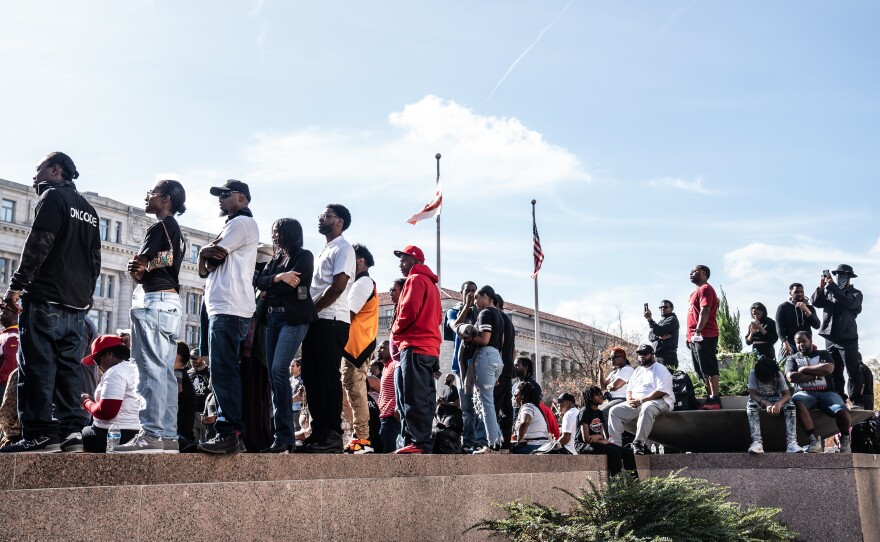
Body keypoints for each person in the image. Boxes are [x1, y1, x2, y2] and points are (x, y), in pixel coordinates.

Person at [1, 152, 101, 454]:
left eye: (39, 169)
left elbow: (38, 242)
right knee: (69, 368)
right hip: (76, 307)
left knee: (37, 367)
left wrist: (15, 287)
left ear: (55, 170)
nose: (35, 176)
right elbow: (95, 259)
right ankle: (71, 432)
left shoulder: (53, 197)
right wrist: (86, 298)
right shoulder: (90, 211)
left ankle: (40, 433)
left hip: (46, 297)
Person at [114, 179, 187, 454]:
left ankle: (151, 435)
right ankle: (168, 435)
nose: (147, 197)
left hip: (155, 301)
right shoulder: (176, 230)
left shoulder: (160, 226)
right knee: (165, 372)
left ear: (166, 198)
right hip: (170, 303)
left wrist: (138, 268)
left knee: (148, 372)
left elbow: (139, 267)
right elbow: (162, 264)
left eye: (152, 194)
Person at [197, 180, 259, 454]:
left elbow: (215, 258)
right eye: (218, 194)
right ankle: (230, 430)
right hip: (224, 307)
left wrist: (206, 254)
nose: (220, 199)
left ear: (242, 198)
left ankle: (229, 431)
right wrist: (202, 253)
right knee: (222, 370)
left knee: (224, 370)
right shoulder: (231, 224)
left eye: (226, 194)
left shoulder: (241, 223)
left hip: (230, 307)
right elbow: (205, 267)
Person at [253, 218, 315, 453]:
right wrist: (279, 278)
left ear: (290, 233)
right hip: (272, 320)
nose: (274, 236)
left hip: (293, 320)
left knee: (279, 369)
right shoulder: (276, 260)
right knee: (273, 373)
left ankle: (284, 436)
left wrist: (273, 286)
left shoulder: (304, 256)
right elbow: (260, 281)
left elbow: (296, 285)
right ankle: (281, 437)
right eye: (272, 232)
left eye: (277, 232)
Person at [301, 204, 355, 454]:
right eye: (321, 215)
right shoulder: (325, 249)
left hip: (331, 319)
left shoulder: (344, 248)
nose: (321, 218)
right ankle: (319, 431)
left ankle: (332, 434)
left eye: (327, 216)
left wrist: (313, 310)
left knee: (326, 377)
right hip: (315, 320)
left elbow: (338, 286)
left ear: (340, 222)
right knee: (311, 377)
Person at [391, 245, 441, 454]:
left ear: (414, 260)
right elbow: (438, 318)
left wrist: (395, 331)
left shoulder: (415, 280)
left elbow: (409, 311)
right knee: (426, 396)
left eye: (403, 259)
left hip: (414, 344)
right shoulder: (431, 284)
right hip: (430, 347)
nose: (400, 264)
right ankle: (423, 440)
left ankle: (418, 441)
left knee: (413, 396)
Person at [785, 331, 851, 453]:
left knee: (842, 410)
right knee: (797, 401)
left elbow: (828, 369)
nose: (801, 345)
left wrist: (803, 369)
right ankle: (813, 441)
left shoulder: (823, 354)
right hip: (804, 393)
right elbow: (791, 377)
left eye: (803, 341)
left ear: (810, 340)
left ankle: (845, 440)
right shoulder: (792, 359)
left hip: (828, 393)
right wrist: (817, 374)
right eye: (798, 342)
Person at [342, 243, 379, 454]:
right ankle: (356, 438)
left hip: (357, 347)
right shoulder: (359, 283)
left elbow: (348, 313)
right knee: (347, 392)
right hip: (352, 346)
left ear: (360, 260)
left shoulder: (363, 282)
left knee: (355, 392)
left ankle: (363, 440)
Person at [811, 264, 865, 408]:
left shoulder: (856, 293)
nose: (840, 278)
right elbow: (815, 302)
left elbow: (848, 302)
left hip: (847, 337)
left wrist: (833, 287)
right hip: (830, 337)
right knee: (833, 370)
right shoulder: (829, 291)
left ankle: (855, 400)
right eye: (838, 275)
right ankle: (838, 398)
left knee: (852, 369)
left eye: (843, 275)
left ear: (849, 277)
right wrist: (821, 287)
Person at [607, 344, 674, 455]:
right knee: (614, 411)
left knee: (647, 407)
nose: (642, 356)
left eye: (645, 353)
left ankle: (638, 443)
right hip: (637, 403)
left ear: (652, 355)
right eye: (639, 354)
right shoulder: (638, 370)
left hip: (660, 401)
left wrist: (642, 401)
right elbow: (629, 390)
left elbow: (662, 391)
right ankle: (616, 446)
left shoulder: (660, 369)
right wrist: (629, 400)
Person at [79, 335, 141, 453]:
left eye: (97, 359)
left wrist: (85, 402)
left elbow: (106, 412)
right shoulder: (133, 368)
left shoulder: (115, 372)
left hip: (116, 435)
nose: (97, 365)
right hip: (135, 433)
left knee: (72, 440)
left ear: (110, 354)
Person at [465, 285, 506, 454]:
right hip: (497, 358)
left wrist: (469, 337)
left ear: (485, 296)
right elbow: (501, 342)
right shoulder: (500, 316)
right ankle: (497, 438)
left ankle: (492, 443)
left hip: (486, 356)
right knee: (487, 402)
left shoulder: (485, 313)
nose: (475, 302)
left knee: (486, 402)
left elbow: (484, 339)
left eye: (477, 298)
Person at [575, 385, 637, 477]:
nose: (601, 396)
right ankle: (617, 484)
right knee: (614, 452)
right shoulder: (584, 412)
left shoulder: (599, 413)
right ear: (589, 397)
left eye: (601, 394)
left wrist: (599, 438)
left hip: (597, 442)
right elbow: (586, 438)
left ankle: (634, 484)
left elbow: (601, 435)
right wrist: (599, 438)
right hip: (583, 445)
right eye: (597, 395)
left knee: (628, 452)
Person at [746, 356, 800, 454]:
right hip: (760, 399)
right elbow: (752, 394)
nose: (774, 378)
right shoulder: (754, 373)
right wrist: (766, 403)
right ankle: (757, 442)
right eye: (771, 377)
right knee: (751, 406)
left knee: (790, 406)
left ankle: (792, 443)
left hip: (775, 399)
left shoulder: (778, 374)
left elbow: (787, 395)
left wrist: (779, 403)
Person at [686, 265, 721, 410]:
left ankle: (715, 399)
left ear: (704, 274)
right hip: (694, 337)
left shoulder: (706, 289)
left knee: (708, 367)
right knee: (700, 370)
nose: (691, 273)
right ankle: (709, 399)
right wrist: (689, 337)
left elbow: (705, 310)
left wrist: (698, 331)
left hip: (705, 335)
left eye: (695, 271)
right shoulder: (693, 293)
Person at [379, 283, 404, 454]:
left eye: (383, 347)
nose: (379, 350)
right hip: (383, 416)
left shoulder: (395, 364)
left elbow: (399, 387)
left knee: (388, 452)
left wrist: (397, 408)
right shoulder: (386, 367)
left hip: (391, 416)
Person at [493, 294, 516, 448]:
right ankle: (506, 440)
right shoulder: (509, 321)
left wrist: (496, 369)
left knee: (493, 405)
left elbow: (499, 343)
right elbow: (513, 349)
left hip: (499, 369)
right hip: (507, 369)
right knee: (506, 407)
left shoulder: (497, 317)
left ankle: (492, 440)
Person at [775, 283, 820, 358]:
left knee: (807, 368)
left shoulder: (809, 308)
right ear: (790, 293)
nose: (799, 294)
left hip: (806, 344)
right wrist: (784, 342)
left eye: (801, 292)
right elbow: (779, 327)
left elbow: (817, 325)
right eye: (796, 292)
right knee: (784, 366)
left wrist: (806, 310)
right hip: (790, 344)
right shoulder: (783, 307)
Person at [511, 381, 550, 454]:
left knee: (507, 451)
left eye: (516, 396)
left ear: (523, 396)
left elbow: (525, 422)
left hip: (533, 445)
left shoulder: (527, 406)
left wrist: (519, 440)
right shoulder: (534, 407)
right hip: (540, 445)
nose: (514, 399)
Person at [644, 300, 680, 369]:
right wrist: (658, 336)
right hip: (657, 356)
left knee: (666, 378)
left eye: (665, 307)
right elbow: (650, 336)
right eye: (661, 307)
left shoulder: (672, 319)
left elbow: (659, 331)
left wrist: (650, 319)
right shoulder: (661, 321)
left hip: (667, 356)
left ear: (671, 309)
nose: (662, 309)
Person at [598, 347, 634, 412]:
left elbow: (615, 386)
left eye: (614, 357)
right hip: (611, 399)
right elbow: (602, 387)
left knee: (602, 412)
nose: (612, 359)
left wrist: (607, 386)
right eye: (610, 358)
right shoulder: (614, 372)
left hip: (622, 399)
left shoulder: (628, 369)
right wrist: (601, 370)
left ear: (623, 357)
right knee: (594, 410)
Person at [174, 341, 196, 445]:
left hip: (180, 434)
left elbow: (172, 398)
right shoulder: (183, 373)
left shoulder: (177, 374)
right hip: (184, 432)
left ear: (177, 357)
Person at [187, 348, 211, 443]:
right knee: (192, 444)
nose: (193, 360)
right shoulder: (188, 373)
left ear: (203, 357)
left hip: (205, 414)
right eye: (191, 358)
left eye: (195, 358)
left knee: (207, 443)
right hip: (191, 414)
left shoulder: (210, 372)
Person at [0, 309, 19, 388]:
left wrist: (1, 379)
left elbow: (11, 362)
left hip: (3, 384)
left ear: (16, 315)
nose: (1, 313)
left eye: (5, 312)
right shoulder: (6, 333)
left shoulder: (13, 336)